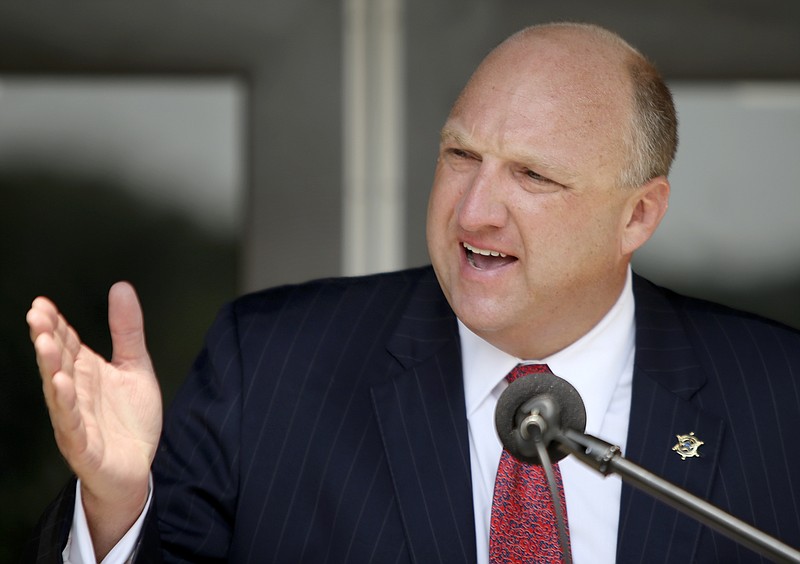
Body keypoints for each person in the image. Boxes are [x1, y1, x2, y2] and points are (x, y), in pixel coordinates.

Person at [25, 22, 800, 563]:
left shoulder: (778, 398)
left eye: (532, 175)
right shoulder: (268, 366)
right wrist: (118, 511)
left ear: (638, 214)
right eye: (461, 156)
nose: (472, 211)